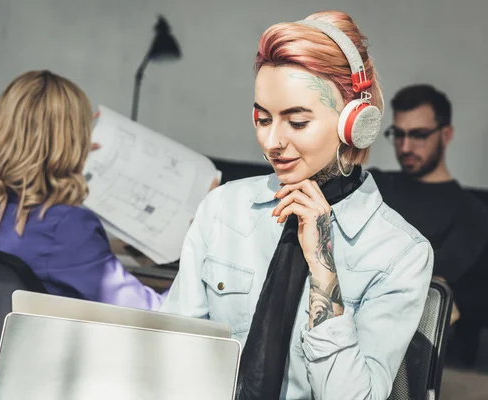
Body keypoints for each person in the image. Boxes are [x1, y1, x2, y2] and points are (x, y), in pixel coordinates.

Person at [161, 10, 433, 400]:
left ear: (355, 121)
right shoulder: (222, 209)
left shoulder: (401, 254)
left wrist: (323, 269)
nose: (273, 141)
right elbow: (173, 351)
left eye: (297, 122)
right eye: (262, 118)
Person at [0, 70, 165, 310]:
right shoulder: (67, 227)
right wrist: (198, 243)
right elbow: (151, 312)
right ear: (73, 142)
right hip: (55, 347)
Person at [369, 85, 488, 324]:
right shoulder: (375, 183)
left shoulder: (472, 212)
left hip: (409, 323)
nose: (405, 147)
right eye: (399, 134)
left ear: (446, 135)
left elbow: (437, 275)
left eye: (419, 135)